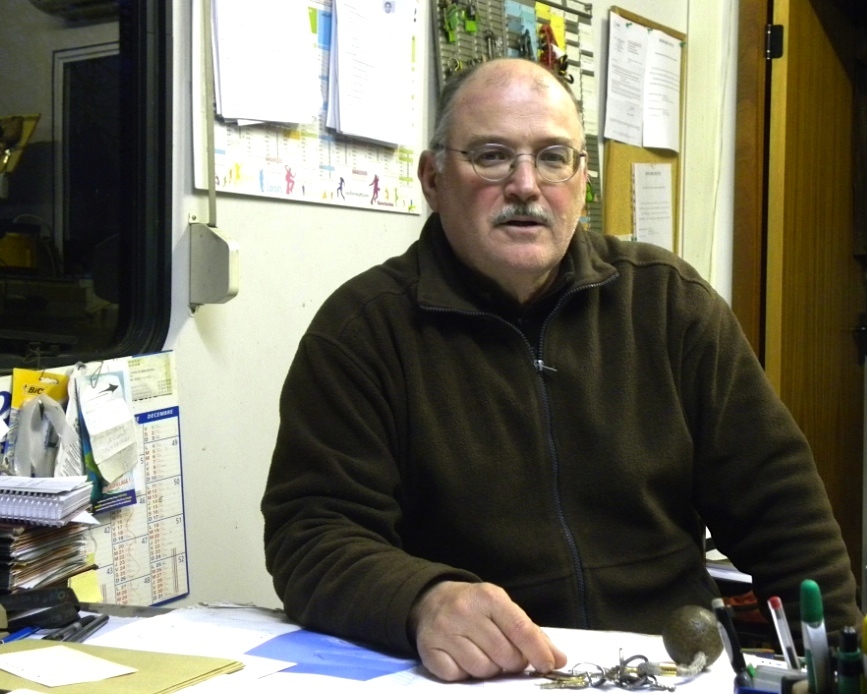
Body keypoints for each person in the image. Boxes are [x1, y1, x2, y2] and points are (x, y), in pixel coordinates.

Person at [261, 57, 861, 682]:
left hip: (664, 669)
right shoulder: (363, 331)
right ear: (433, 179)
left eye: (552, 157)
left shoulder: (668, 304)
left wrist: (838, 668)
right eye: (492, 156)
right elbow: (312, 536)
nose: (525, 185)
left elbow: (786, 518)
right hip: (484, 675)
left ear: (582, 182)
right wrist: (422, 599)